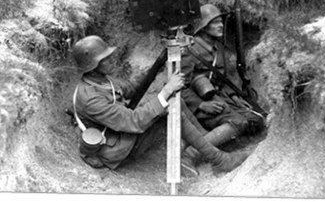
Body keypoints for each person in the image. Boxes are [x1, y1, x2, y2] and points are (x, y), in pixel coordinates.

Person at [71, 35, 248, 176]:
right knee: (169, 107)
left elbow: (130, 88)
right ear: (92, 66)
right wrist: (166, 90)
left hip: (120, 133)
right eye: (105, 58)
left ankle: (206, 145)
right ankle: (218, 158)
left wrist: (157, 66)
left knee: (173, 101)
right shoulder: (90, 98)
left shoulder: (101, 81)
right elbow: (133, 121)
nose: (111, 59)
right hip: (113, 151)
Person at [180, 4, 265, 150]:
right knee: (239, 122)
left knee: (256, 119)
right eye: (215, 22)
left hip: (219, 97)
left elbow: (221, 78)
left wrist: (234, 97)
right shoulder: (190, 51)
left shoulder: (217, 47)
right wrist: (201, 105)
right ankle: (190, 155)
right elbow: (178, 87)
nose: (221, 25)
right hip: (199, 105)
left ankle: (222, 143)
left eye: (221, 22)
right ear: (204, 26)